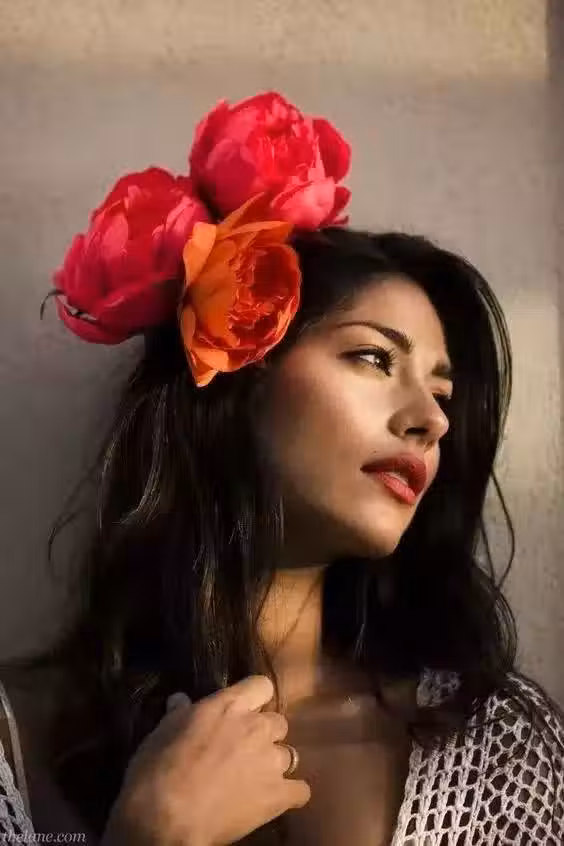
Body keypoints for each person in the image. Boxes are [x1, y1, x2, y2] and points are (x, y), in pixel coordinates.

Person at [4, 92, 564, 845]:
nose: (431, 421)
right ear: (240, 376)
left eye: (442, 395)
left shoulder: (497, 759)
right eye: (374, 358)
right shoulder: (14, 741)